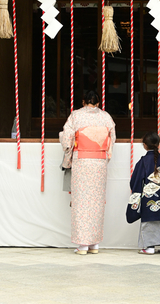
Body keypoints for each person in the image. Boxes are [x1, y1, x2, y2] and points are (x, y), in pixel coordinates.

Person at [59, 90, 116, 255]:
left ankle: (83, 245)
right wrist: (105, 157)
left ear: (83, 101)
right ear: (98, 103)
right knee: (97, 202)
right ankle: (94, 244)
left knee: (81, 201)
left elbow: (67, 140)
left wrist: (67, 158)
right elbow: (112, 139)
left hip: (82, 161)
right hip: (99, 162)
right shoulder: (106, 117)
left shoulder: (76, 116)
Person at [127, 132, 160, 255]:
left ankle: (149, 247)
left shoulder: (143, 161)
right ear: (158, 144)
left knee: (150, 221)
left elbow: (136, 180)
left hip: (150, 198)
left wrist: (136, 192)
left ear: (145, 145)